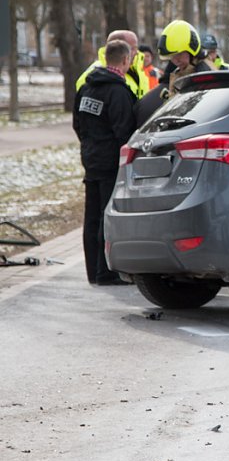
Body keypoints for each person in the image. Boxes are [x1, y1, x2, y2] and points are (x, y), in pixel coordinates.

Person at [73, 39, 138, 286]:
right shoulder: (118, 92)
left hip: (90, 158)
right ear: (125, 60)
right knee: (106, 215)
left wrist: (90, 145)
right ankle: (105, 272)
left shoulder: (86, 88)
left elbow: (77, 124)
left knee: (91, 216)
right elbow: (124, 131)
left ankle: (93, 271)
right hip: (111, 162)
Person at [135, 19, 212, 127]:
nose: (175, 61)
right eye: (171, 56)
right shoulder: (181, 72)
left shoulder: (205, 75)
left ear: (192, 48)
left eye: (179, 54)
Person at [76, 30, 148, 100]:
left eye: (136, 48)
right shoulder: (94, 74)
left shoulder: (138, 71)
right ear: (119, 48)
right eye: (132, 48)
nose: (136, 52)